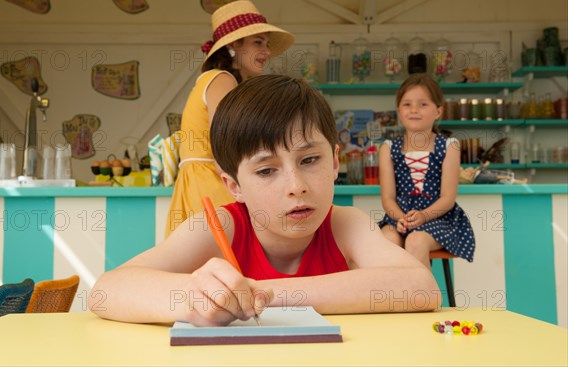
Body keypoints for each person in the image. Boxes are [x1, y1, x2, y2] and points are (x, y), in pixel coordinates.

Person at [90, 75, 440, 326]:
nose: (296, 186)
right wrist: (192, 296)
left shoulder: (344, 223)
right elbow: (105, 291)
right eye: (266, 170)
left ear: (334, 161)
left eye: (309, 160)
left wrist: (265, 293)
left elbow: (422, 288)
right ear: (233, 184)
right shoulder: (221, 227)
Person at [166, 0, 294, 236]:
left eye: (266, 43)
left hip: (200, 180)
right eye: (258, 42)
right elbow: (223, 145)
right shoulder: (222, 79)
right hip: (211, 182)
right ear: (234, 45)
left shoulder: (219, 79)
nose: (266, 51)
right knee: (228, 256)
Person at [378, 73, 475, 269]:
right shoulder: (388, 148)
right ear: (398, 110)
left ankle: (423, 298)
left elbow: (448, 198)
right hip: (398, 218)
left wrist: (422, 216)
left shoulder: (449, 146)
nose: (414, 110)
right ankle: (394, 298)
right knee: (387, 239)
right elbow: (388, 198)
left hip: (437, 218)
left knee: (416, 240)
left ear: (438, 111)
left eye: (423, 104)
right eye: (407, 104)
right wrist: (401, 218)